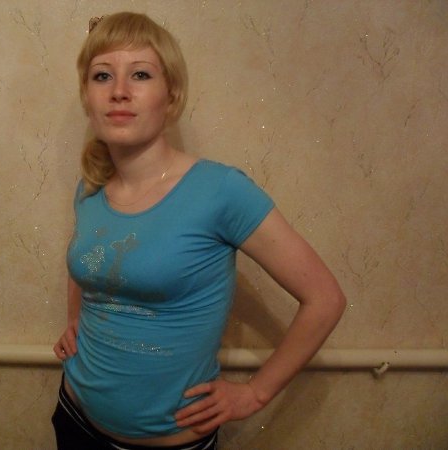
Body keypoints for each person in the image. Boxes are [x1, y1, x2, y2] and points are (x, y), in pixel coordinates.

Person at [52, 12, 346, 450]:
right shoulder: (90, 187)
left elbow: (325, 299)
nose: (119, 91)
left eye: (140, 74)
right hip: (75, 416)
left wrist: (255, 393)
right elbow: (90, 262)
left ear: (171, 95)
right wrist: (76, 317)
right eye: (102, 76)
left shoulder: (220, 191)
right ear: (87, 97)